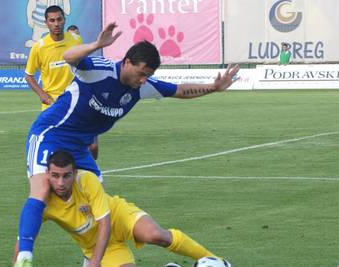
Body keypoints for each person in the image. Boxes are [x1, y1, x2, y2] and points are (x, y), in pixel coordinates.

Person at [15, 22, 240, 264]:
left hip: (80, 147)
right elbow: (68, 56)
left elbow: (179, 90)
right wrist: (96, 45)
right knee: (42, 191)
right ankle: (25, 256)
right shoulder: (99, 71)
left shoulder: (141, 88)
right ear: (127, 62)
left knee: (94, 204)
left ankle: (95, 257)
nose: (144, 80)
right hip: (51, 133)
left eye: (148, 76)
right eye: (141, 73)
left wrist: (214, 87)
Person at [14, 150, 230, 267]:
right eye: (55, 176)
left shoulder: (86, 180)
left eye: (66, 175)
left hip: (117, 216)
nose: (61, 182)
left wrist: (95, 264)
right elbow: (24, 236)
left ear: (74, 173)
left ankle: (216, 261)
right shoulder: (42, 203)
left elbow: (105, 221)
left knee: (157, 235)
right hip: (101, 246)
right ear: (48, 174)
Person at [25, 6, 99, 158]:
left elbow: (83, 65)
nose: (56, 23)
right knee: (57, 152)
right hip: (53, 105)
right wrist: (42, 95)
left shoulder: (75, 40)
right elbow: (29, 75)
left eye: (59, 19)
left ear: (64, 20)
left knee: (92, 147)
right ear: (46, 23)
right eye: (52, 20)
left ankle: (86, 176)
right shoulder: (39, 47)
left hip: (77, 100)